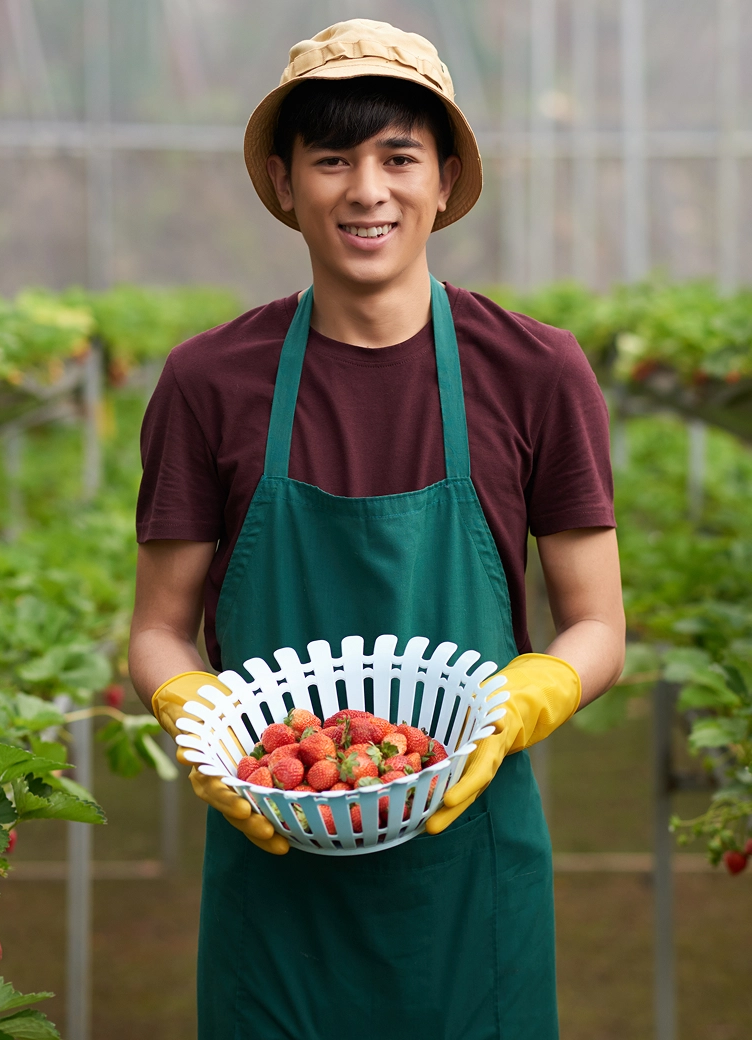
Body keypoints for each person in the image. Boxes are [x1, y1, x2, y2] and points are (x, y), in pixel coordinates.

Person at [130, 19, 625, 1040]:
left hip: (468, 873)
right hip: (276, 861)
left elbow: (599, 622)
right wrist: (196, 711)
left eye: (400, 156)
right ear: (282, 183)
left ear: (444, 178)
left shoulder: (534, 372)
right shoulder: (208, 381)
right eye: (332, 159)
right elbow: (158, 627)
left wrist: (532, 693)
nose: (368, 190)